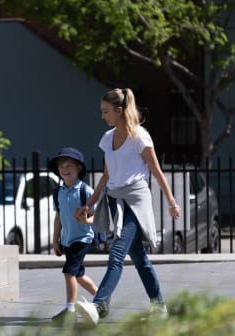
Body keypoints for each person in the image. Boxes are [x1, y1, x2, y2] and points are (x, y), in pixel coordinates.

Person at [74, 88, 181, 325]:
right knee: (139, 258)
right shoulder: (107, 138)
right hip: (114, 200)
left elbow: (156, 171)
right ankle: (159, 305)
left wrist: (171, 202)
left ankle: (100, 305)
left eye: (106, 112)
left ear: (119, 111)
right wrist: (89, 204)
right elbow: (106, 175)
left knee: (117, 251)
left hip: (135, 199)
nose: (103, 116)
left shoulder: (140, 138)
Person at [48, 147, 98, 325]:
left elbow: (97, 217)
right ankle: (101, 299)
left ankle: (70, 310)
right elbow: (58, 218)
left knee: (69, 272)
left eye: (69, 165)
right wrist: (55, 240)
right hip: (67, 239)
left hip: (82, 238)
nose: (65, 169)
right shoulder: (58, 193)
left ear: (79, 169)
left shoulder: (86, 191)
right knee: (78, 274)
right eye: (61, 166)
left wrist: (87, 221)